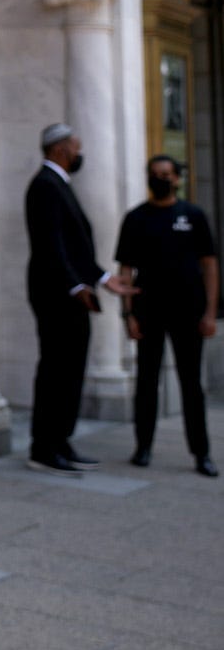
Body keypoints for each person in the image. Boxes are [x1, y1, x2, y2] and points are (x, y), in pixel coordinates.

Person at [24, 123, 134, 474]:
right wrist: (76, 286)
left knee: (71, 371)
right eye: (76, 147)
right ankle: (44, 448)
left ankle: (61, 442)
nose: (79, 154)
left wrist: (102, 278)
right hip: (56, 295)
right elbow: (50, 245)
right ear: (60, 150)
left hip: (69, 293)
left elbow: (74, 245)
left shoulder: (58, 184)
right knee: (57, 371)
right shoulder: (45, 185)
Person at [115, 154, 218, 475]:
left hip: (189, 312)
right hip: (148, 311)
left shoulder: (194, 215)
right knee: (147, 381)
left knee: (191, 384)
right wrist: (128, 315)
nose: (161, 178)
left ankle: (201, 453)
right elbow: (125, 270)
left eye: (166, 174)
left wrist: (211, 312)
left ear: (176, 178)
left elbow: (210, 265)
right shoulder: (136, 218)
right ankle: (143, 446)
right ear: (148, 178)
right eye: (155, 174)